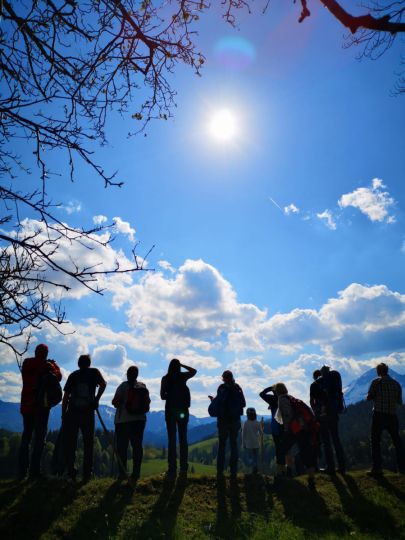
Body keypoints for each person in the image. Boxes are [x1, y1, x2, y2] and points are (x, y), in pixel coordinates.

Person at [19, 343, 62, 479]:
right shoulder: (48, 366)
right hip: (41, 407)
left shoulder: (27, 363)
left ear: (35, 351)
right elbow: (58, 376)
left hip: (27, 405)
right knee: (39, 439)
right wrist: (54, 364)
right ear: (46, 354)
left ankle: (22, 472)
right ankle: (35, 471)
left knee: (26, 438)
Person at [62, 354, 106, 481]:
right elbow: (103, 384)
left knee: (71, 443)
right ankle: (87, 473)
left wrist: (63, 414)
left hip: (72, 413)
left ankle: (71, 471)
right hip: (87, 413)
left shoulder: (73, 375)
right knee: (88, 443)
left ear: (78, 364)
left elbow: (65, 397)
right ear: (89, 363)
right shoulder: (94, 372)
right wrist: (96, 399)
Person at [274, 382, 317, 490]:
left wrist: (287, 429)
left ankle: (280, 476)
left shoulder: (282, 399)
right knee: (306, 453)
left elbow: (287, 414)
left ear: (277, 391)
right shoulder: (290, 397)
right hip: (303, 429)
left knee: (280, 449)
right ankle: (311, 480)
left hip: (293, 430)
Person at [112, 365, 150, 483]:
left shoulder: (123, 386)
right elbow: (148, 402)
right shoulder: (142, 386)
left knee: (122, 447)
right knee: (137, 447)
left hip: (123, 421)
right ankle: (136, 473)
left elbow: (115, 402)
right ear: (137, 375)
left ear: (127, 374)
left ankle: (122, 474)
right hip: (140, 420)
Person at [160, 358, 197, 478]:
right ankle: (184, 468)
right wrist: (182, 365)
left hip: (170, 411)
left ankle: (172, 469)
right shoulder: (182, 376)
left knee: (172, 440)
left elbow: (162, 396)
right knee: (183, 439)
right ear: (178, 366)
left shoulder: (165, 378)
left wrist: (170, 395)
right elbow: (194, 371)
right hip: (182, 411)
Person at [367, 363, 405, 475]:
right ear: (387, 370)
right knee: (397, 442)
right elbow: (399, 402)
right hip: (392, 415)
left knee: (375, 441)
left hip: (379, 415)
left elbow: (369, 397)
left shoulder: (376, 382)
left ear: (378, 371)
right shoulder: (396, 384)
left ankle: (377, 468)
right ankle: (402, 468)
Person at [209, 370, 246, 478]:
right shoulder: (237, 387)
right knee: (234, 445)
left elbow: (218, 403)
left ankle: (219, 471)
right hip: (235, 420)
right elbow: (243, 403)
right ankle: (233, 471)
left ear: (224, 378)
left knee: (222, 445)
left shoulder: (221, 388)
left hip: (223, 421)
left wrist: (213, 400)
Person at [310, 365, 346, 474]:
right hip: (334, 413)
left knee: (326, 441)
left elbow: (312, 401)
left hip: (322, 416)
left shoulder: (314, 385)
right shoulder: (334, 379)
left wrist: (316, 413)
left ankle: (330, 467)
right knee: (336, 439)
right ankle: (342, 466)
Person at [259, 385, 292, 477]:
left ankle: (280, 472)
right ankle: (289, 469)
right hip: (288, 428)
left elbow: (261, 394)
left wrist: (270, 388)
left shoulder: (273, 399)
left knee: (279, 450)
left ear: (275, 390)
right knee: (287, 450)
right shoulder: (288, 398)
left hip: (277, 428)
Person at [242, 407, 262, 473]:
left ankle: (253, 465)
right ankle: (255, 467)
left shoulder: (246, 423)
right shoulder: (257, 423)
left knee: (248, 458)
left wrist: (243, 443)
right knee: (255, 457)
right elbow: (261, 433)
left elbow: (243, 434)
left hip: (248, 444)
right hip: (256, 443)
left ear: (247, 414)